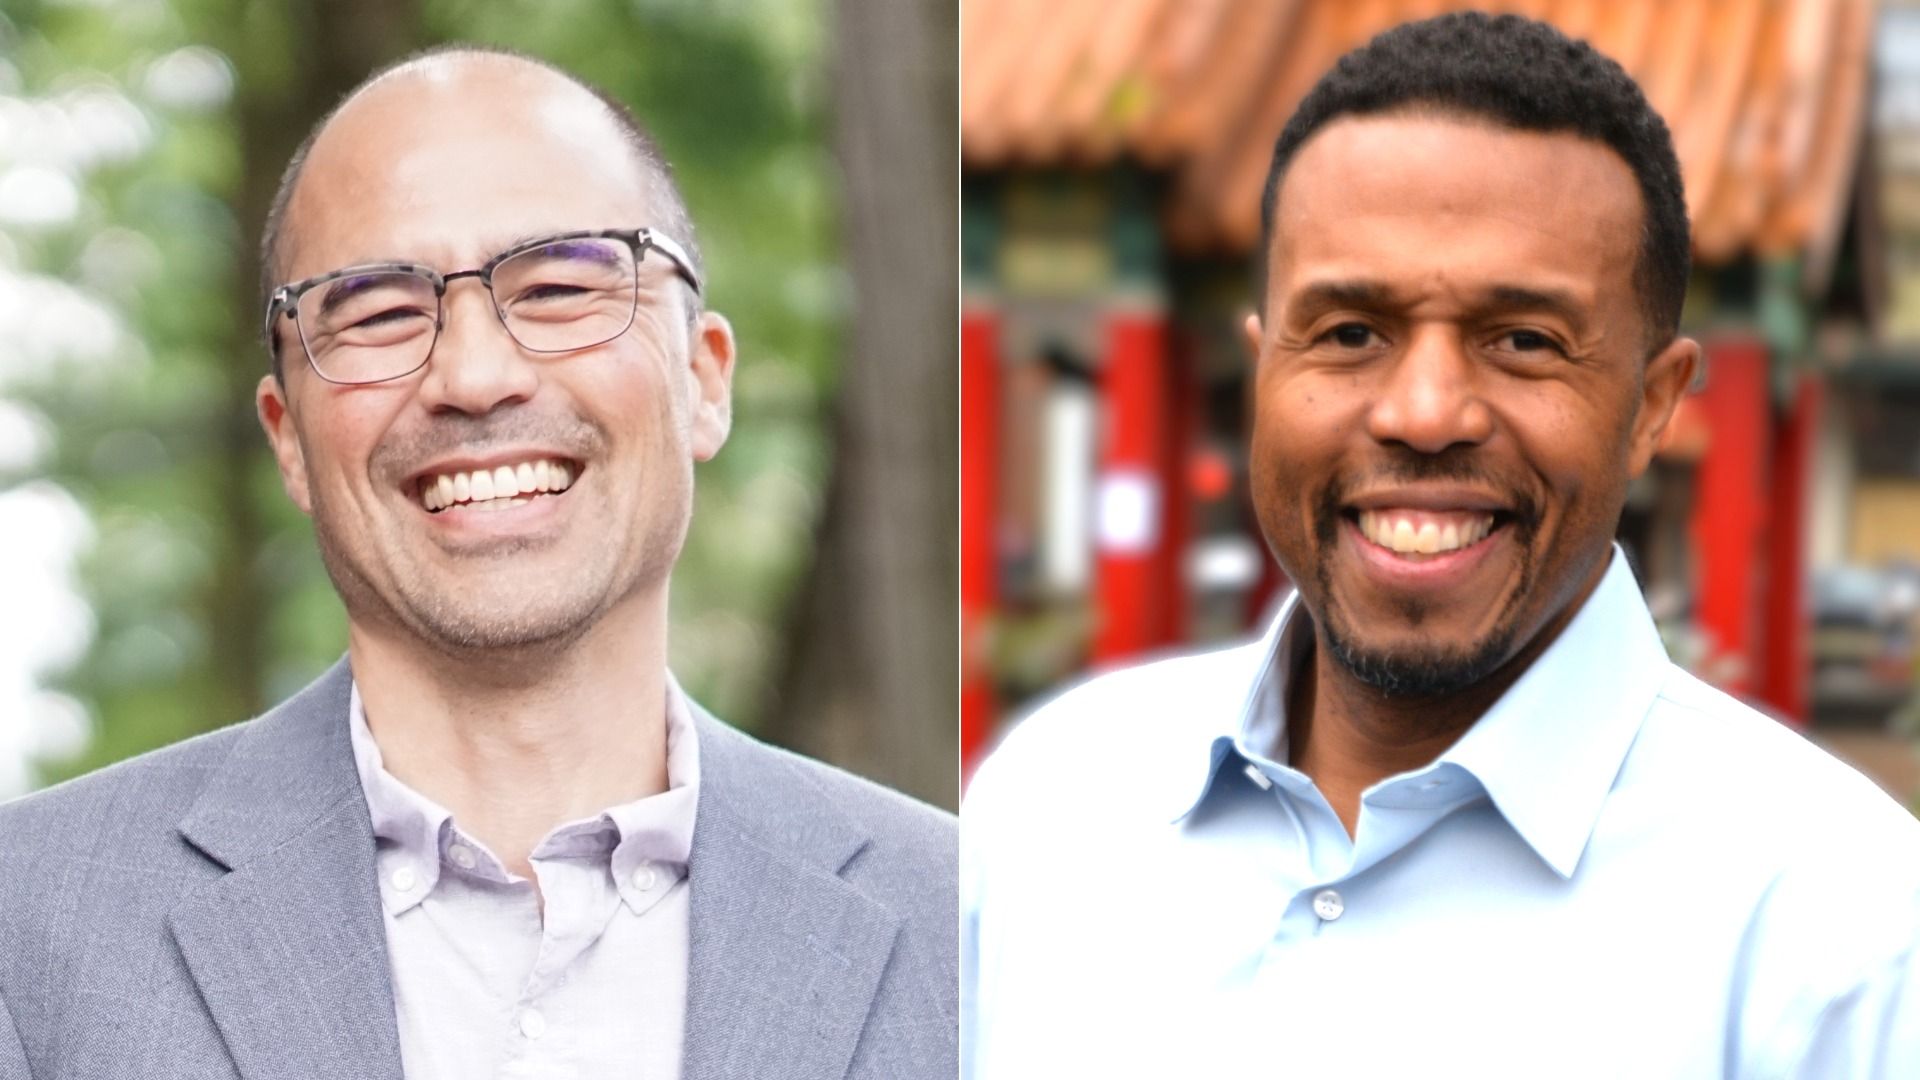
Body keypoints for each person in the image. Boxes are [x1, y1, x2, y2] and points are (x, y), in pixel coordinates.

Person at [963, 13, 1920, 1078]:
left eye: (1523, 342)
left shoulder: (1842, 930)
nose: (1424, 412)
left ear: (1653, 406)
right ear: (1262, 369)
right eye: (1349, 334)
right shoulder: (1048, 805)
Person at [0, 47, 955, 1080]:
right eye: (377, 312)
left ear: (703, 380)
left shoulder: (978, 924)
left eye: (557, 286)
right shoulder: (32, 928)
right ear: (288, 439)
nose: (473, 373)